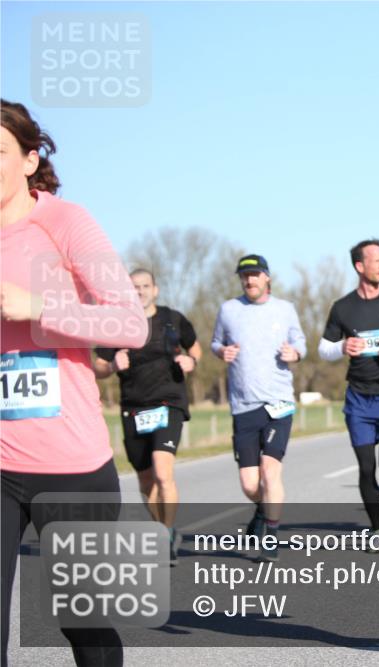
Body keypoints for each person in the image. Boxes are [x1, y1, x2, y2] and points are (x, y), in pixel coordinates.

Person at [1, 99, 148, 667]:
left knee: (81, 622)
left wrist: (40, 307)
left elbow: (128, 323)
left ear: (30, 160)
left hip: (70, 466)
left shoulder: (64, 222)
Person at [94, 269, 201, 563]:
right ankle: (162, 530)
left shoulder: (173, 319)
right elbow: (98, 366)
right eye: (134, 287)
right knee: (145, 482)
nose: (139, 291)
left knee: (163, 472)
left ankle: (165, 534)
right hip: (133, 407)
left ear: (155, 289)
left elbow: (196, 348)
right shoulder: (117, 325)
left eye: (144, 286)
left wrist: (190, 360)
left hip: (169, 402)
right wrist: (113, 364)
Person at [318, 239, 379, 547]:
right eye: (376, 260)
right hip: (359, 399)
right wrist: (341, 347)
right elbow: (324, 349)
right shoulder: (343, 307)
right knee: (366, 467)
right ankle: (377, 529)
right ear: (360, 266)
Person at [211, 254, 306, 562]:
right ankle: (262, 510)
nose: (249, 280)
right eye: (244, 275)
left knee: (270, 471)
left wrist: (295, 353)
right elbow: (215, 343)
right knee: (251, 484)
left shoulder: (285, 309)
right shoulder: (228, 310)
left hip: (278, 402)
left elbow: (300, 343)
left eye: (254, 274)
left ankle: (271, 536)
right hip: (243, 405)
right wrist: (221, 351)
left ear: (267, 277)